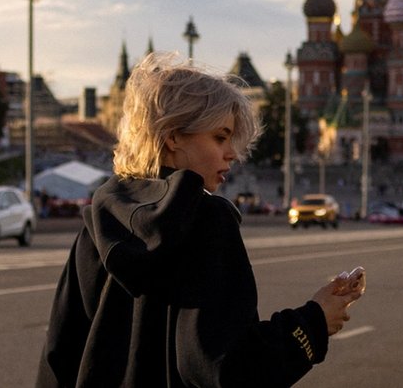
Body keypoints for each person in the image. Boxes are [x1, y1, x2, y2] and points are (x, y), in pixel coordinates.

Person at [37, 53, 365, 388]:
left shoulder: (98, 224)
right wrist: (315, 321)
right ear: (173, 136)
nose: (232, 153)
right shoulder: (208, 221)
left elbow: (58, 358)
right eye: (220, 137)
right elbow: (225, 369)